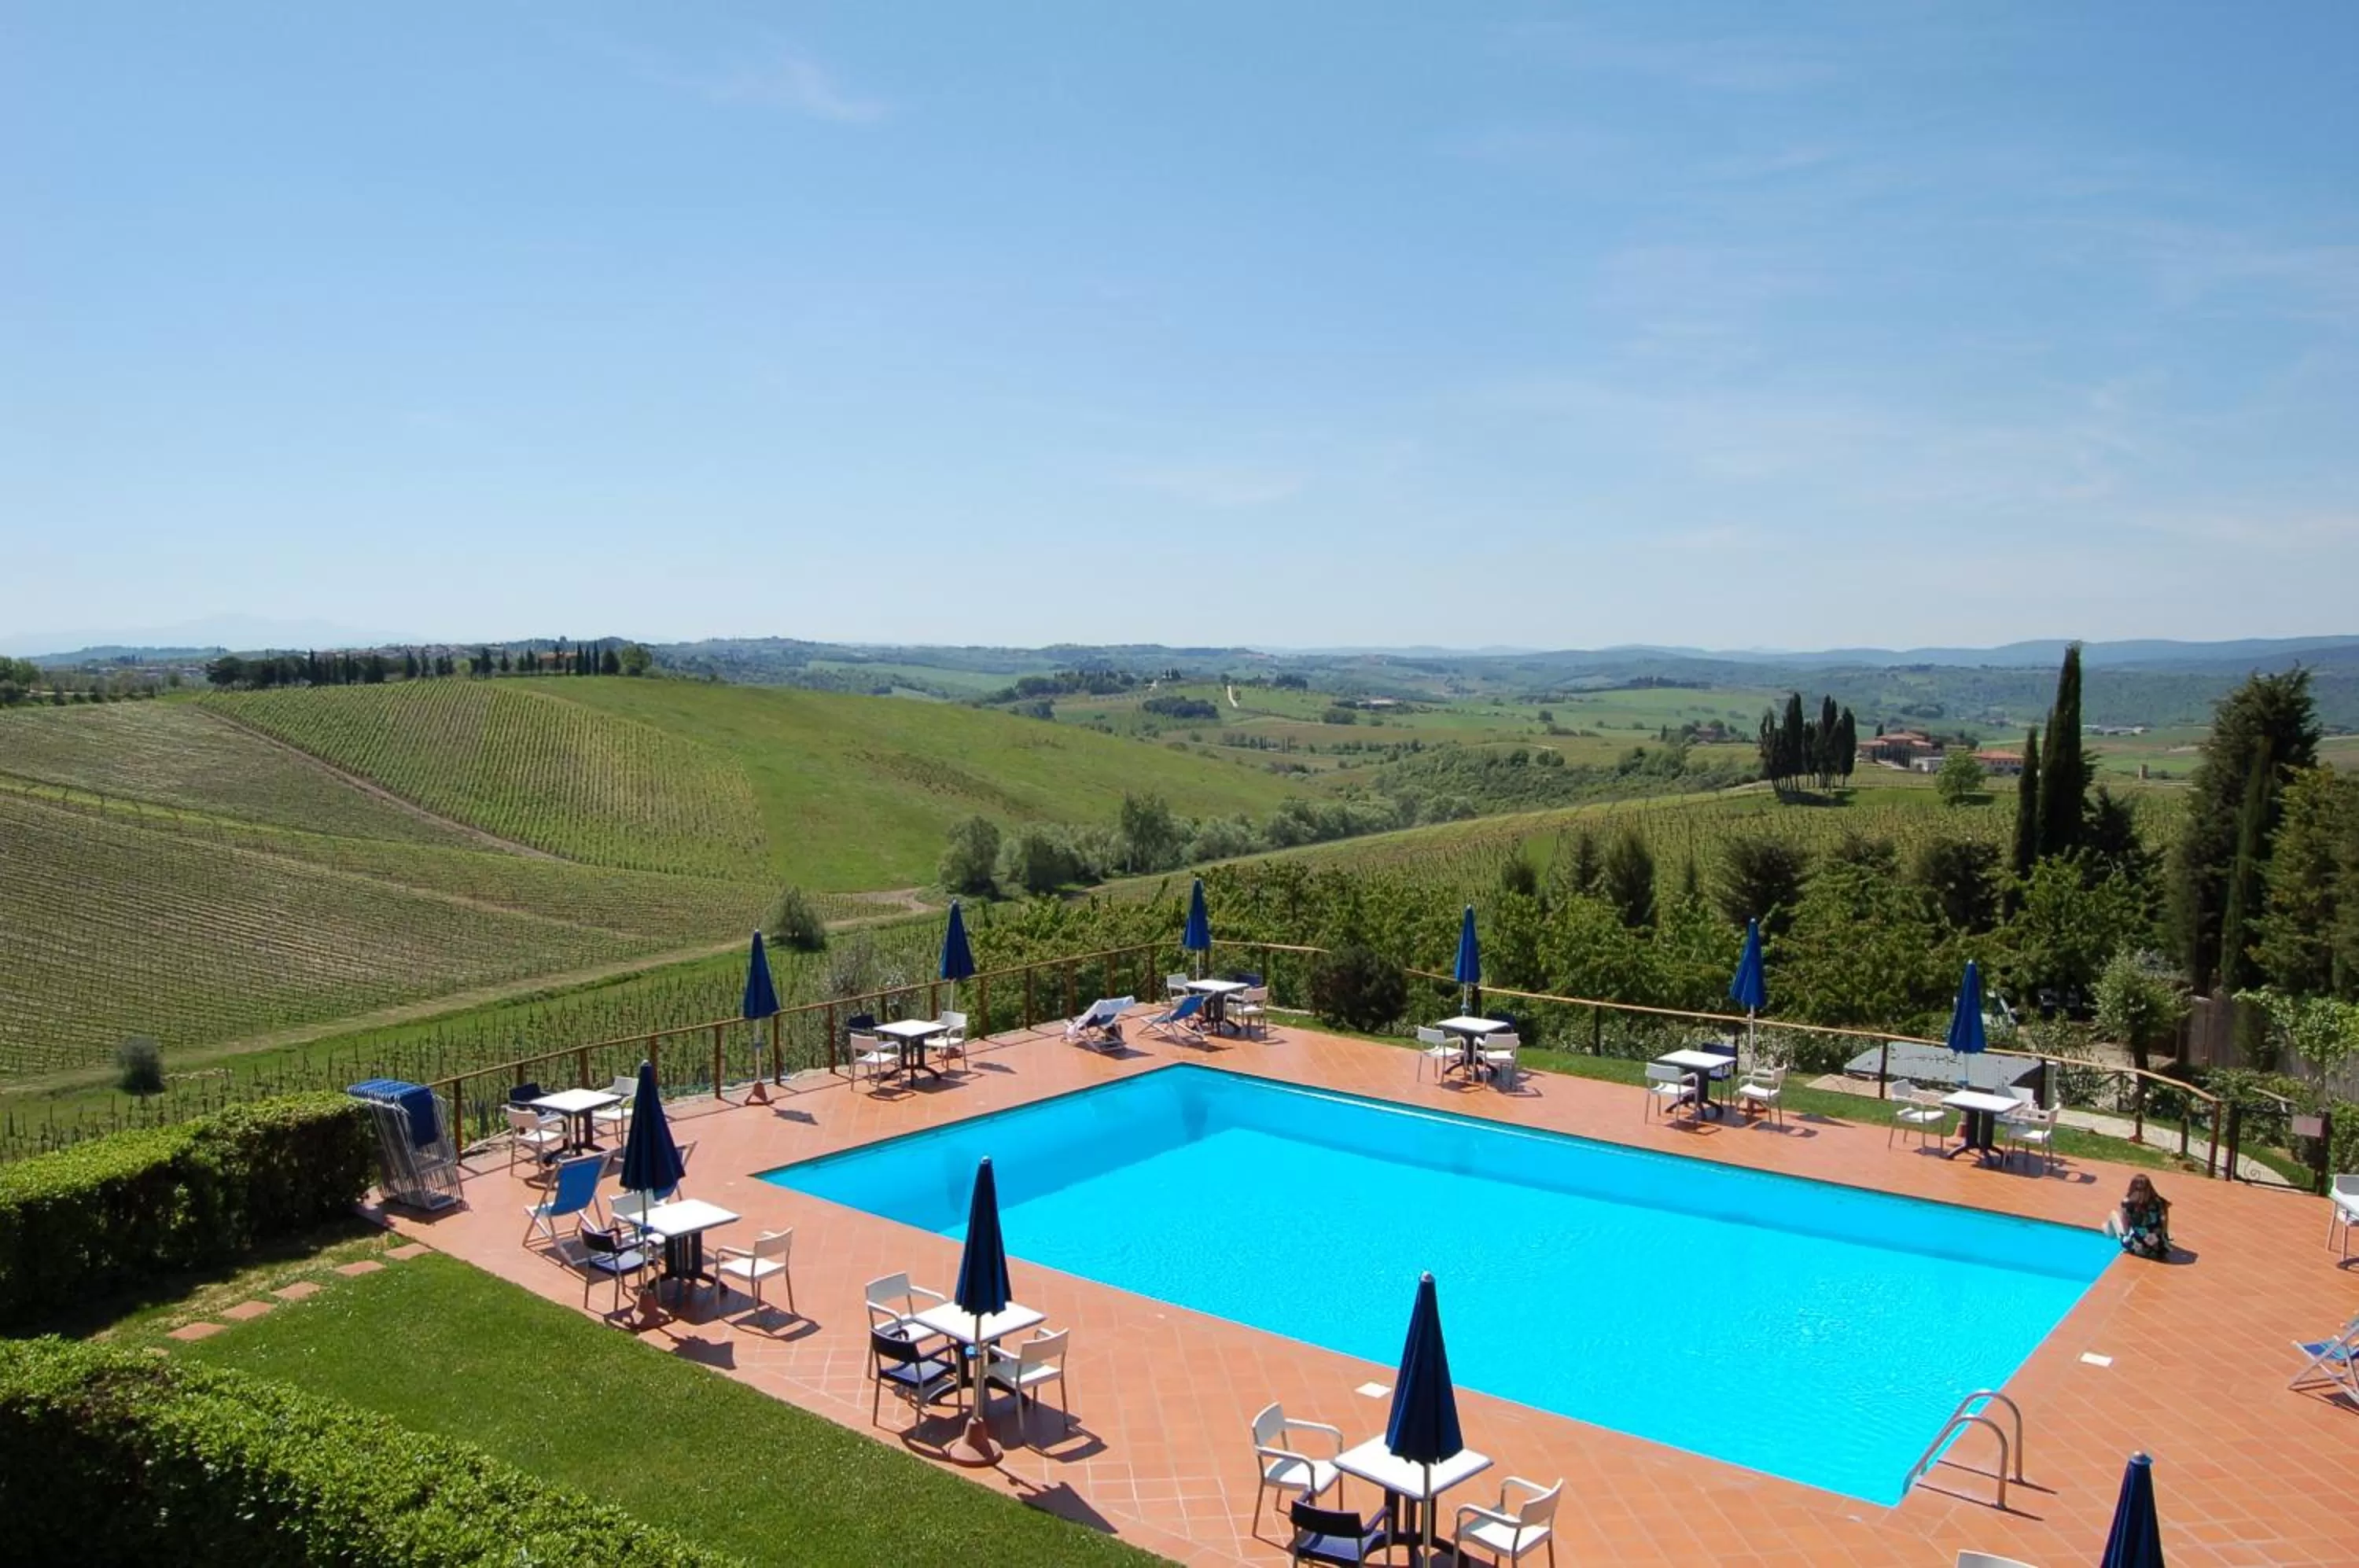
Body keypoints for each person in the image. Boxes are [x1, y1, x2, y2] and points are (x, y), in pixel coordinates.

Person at [2103, 1174, 2172, 1259]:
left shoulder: (2127, 1203)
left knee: (2113, 1214)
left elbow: (2126, 1230)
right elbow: (2165, 1222)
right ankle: (2109, 1231)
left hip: (2137, 1249)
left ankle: (2109, 1232)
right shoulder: (2160, 1202)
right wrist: (2164, 1237)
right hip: (2158, 1250)